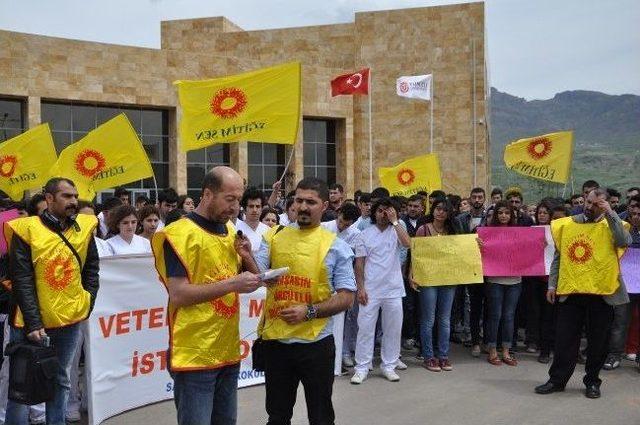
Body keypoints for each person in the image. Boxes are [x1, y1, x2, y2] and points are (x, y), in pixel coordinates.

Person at [151, 166, 262, 425]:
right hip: (195, 353)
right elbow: (178, 294)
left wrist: (247, 256)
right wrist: (233, 283)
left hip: (228, 350)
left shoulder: (231, 232)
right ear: (207, 195)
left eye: (239, 200)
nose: (235, 208)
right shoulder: (179, 234)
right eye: (230, 199)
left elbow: (254, 281)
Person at [254, 177, 355, 425]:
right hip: (276, 342)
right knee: (277, 416)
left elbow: (347, 297)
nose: (303, 206)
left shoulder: (336, 247)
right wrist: (246, 254)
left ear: (324, 206)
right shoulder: (274, 237)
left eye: (311, 202)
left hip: (316, 344)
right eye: (299, 200)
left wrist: (309, 311)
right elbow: (257, 275)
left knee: (320, 416)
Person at [4, 178, 99, 425]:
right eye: (67, 196)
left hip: (69, 321)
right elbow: (22, 278)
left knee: (61, 379)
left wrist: (87, 302)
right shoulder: (26, 229)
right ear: (49, 199)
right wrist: (34, 323)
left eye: (75, 196)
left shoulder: (85, 228)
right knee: (21, 385)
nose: (74, 201)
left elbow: (91, 270)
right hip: (29, 323)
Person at [535, 188, 631, 399]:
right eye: (588, 202)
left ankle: (592, 382)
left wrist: (610, 214)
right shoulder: (568, 224)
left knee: (598, 341)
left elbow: (624, 241)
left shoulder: (613, 224)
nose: (589, 207)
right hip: (572, 291)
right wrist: (552, 286)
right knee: (564, 339)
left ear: (605, 205)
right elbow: (559, 258)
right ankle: (557, 380)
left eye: (595, 204)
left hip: (602, 294)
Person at [351, 197, 411, 384]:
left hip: (393, 289)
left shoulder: (397, 230)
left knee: (392, 329)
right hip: (371, 290)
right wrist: (360, 288)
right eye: (380, 210)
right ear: (374, 213)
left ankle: (389, 366)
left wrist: (395, 221)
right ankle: (361, 368)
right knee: (365, 330)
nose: (383, 214)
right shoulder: (364, 234)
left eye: (387, 210)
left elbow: (408, 244)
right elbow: (359, 265)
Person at [411, 199, 458, 372]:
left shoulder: (453, 231)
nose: (440, 212)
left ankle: (443, 356)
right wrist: (412, 275)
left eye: (444, 210)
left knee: (445, 320)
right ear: (433, 210)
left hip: (448, 279)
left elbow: (460, 253)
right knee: (428, 319)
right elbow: (415, 254)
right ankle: (429, 356)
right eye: (438, 209)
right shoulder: (423, 229)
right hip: (428, 279)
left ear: (448, 213)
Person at [479, 201, 521, 366]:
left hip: (515, 280)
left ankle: (506, 350)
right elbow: (479, 254)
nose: (504, 216)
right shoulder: (488, 233)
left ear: (512, 215)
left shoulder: (519, 233)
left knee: (509, 316)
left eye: (507, 213)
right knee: (495, 315)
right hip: (494, 280)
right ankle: (492, 350)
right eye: (500, 213)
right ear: (495, 215)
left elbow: (527, 250)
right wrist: (480, 246)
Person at [455, 187, 487, 357]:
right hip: (468, 265)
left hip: (488, 267)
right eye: (474, 197)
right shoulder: (460, 219)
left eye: (480, 197)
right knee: (471, 305)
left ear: (484, 199)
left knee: (489, 306)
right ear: (470, 198)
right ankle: (474, 339)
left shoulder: (490, 219)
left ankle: (487, 340)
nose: (476, 200)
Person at [235, 188, 270, 254]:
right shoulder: (235, 229)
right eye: (251, 206)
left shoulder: (269, 231)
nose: (254, 210)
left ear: (262, 209)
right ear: (245, 209)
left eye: (258, 206)